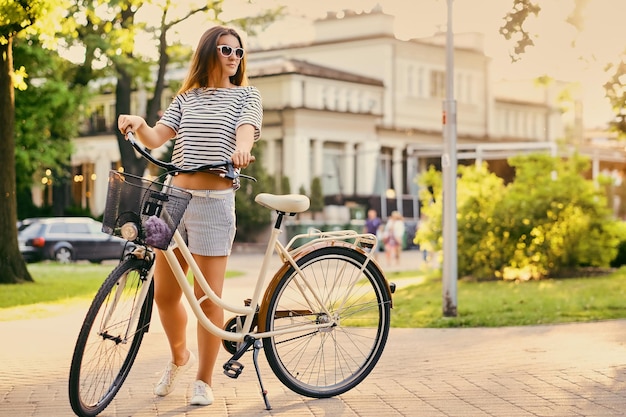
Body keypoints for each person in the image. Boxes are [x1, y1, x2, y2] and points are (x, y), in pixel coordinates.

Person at [117, 26, 262, 407]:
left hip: (214, 204)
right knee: (164, 295)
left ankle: (203, 379)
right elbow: (155, 137)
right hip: (172, 199)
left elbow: (246, 131)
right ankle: (180, 356)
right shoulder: (186, 98)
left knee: (207, 298)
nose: (234, 56)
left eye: (239, 52)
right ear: (209, 52)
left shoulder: (247, 96)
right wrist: (138, 123)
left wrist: (242, 150)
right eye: (226, 49)